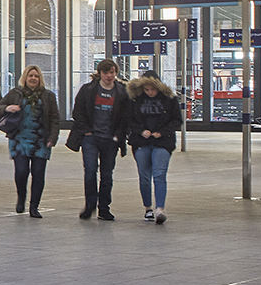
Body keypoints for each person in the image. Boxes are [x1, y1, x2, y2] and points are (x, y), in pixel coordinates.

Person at [69, 58, 130, 220]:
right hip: (91, 138)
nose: (109, 76)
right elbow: (78, 112)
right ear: (100, 73)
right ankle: (89, 206)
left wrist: (118, 135)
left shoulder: (122, 92)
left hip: (111, 140)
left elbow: (126, 116)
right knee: (90, 171)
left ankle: (104, 207)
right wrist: (87, 132)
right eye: (106, 72)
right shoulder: (88, 90)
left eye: (112, 72)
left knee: (107, 174)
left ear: (116, 73)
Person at [127, 72, 184, 223]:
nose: (150, 92)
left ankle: (160, 209)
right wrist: (140, 131)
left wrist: (162, 132)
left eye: (152, 89)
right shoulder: (135, 100)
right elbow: (128, 120)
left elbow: (177, 120)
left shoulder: (169, 99)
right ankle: (148, 208)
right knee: (144, 177)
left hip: (162, 142)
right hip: (141, 142)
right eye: (146, 90)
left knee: (159, 174)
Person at [4, 65, 61, 218]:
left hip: (41, 141)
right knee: (21, 172)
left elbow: (55, 118)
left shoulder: (48, 96)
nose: (33, 78)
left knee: (38, 173)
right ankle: (21, 197)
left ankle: (34, 206)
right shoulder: (15, 94)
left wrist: (53, 137)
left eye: (36, 76)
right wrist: (7, 108)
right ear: (25, 78)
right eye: (31, 76)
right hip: (19, 140)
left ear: (40, 79)